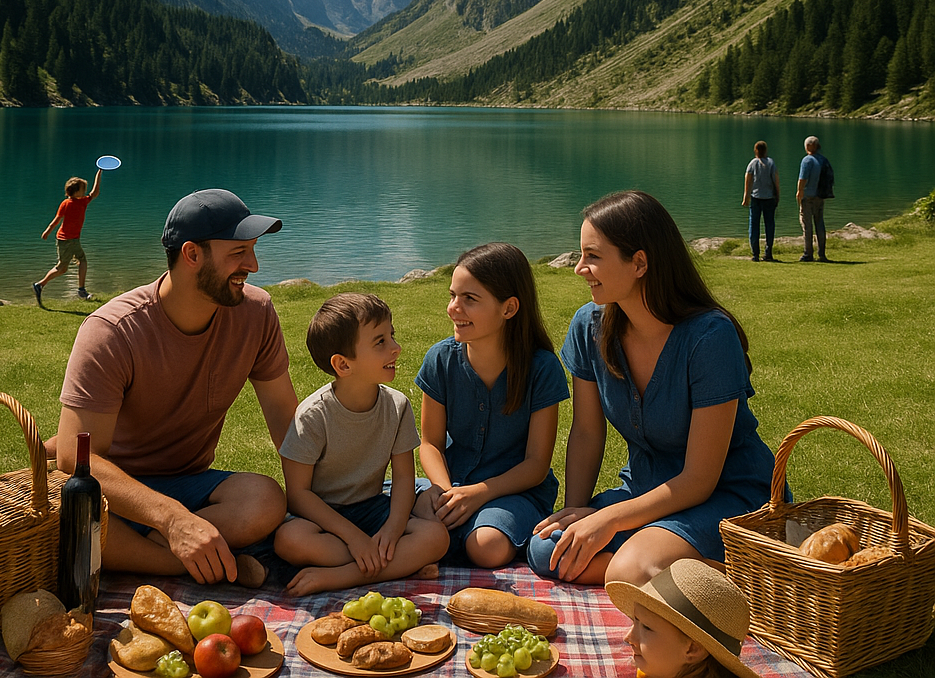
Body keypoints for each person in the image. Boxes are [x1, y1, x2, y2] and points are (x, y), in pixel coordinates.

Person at [528, 191, 781, 587]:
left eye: (592, 256)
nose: (580, 268)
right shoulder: (588, 326)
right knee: (549, 551)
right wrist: (577, 512)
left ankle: (748, 572)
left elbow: (700, 479)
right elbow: (588, 433)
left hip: (727, 495)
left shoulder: (710, 337)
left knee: (629, 568)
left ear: (639, 263)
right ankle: (679, 575)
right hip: (645, 489)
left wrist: (608, 518)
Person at [56, 188, 298, 588]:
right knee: (76, 521)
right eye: (238, 253)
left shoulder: (256, 313)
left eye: (252, 250)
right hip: (116, 489)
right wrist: (173, 520)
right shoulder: (111, 332)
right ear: (192, 255)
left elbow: (287, 424)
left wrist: (325, 507)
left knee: (265, 499)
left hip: (189, 482)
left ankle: (149, 554)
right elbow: (73, 458)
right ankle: (194, 562)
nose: (253, 266)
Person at [273, 293, 449, 594]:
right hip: (324, 518)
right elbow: (299, 495)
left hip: (373, 509)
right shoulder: (313, 416)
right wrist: (355, 539)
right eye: (380, 342)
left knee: (436, 537)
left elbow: (405, 477)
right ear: (343, 364)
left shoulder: (397, 405)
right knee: (289, 540)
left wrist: (393, 529)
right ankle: (396, 564)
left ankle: (343, 575)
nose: (396, 348)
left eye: (391, 336)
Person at [414, 243, 570, 568]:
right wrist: (444, 493)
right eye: (453, 295)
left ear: (509, 308)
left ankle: (455, 539)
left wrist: (480, 494)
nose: (453, 308)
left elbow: (536, 464)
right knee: (387, 513)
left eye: (469, 299)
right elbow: (430, 443)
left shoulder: (541, 368)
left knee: (487, 547)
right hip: (449, 484)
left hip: (515, 492)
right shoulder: (439, 360)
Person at [606, 558, 759, 678]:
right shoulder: (656, 671)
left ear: (693, 649)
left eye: (646, 627)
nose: (628, 638)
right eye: (635, 621)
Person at [33, 168, 103, 304]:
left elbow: (95, 193)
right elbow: (57, 220)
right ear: (76, 191)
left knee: (82, 260)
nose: (85, 191)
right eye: (83, 189)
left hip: (74, 240)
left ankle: (81, 290)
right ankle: (40, 285)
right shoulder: (66, 204)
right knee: (62, 268)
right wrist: (47, 231)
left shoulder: (82, 201)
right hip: (65, 241)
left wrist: (99, 173)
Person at [741, 141, 779, 262]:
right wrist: (777, 195)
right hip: (769, 198)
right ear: (766, 150)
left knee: (754, 225)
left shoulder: (752, 163)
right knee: (769, 225)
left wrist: (746, 197)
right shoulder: (771, 163)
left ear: (755, 151)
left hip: (755, 198)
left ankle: (755, 254)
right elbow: (776, 180)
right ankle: (768, 253)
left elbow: (748, 180)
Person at [796, 136, 830, 262]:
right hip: (820, 196)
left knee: (807, 225)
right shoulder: (823, 160)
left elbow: (802, 179)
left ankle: (808, 253)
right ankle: (822, 254)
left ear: (810, 146)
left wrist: (799, 192)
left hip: (808, 196)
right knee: (820, 223)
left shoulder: (807, 161)